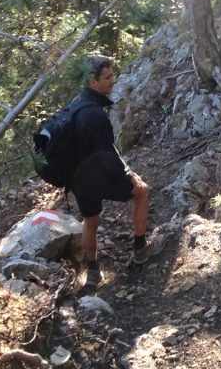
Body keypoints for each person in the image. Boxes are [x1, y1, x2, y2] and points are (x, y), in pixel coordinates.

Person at [68, 55, 163, 290]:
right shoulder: (96, 116)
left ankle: (92, 271)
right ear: (93, 81)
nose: (114, 80)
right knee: (142, 191)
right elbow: (109, 158)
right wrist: (131, 177)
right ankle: (140, 249)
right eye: (108, 77)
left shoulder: (76, 103)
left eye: (113, 75)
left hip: (77, 177)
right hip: (97, 175)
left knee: (90, 219)